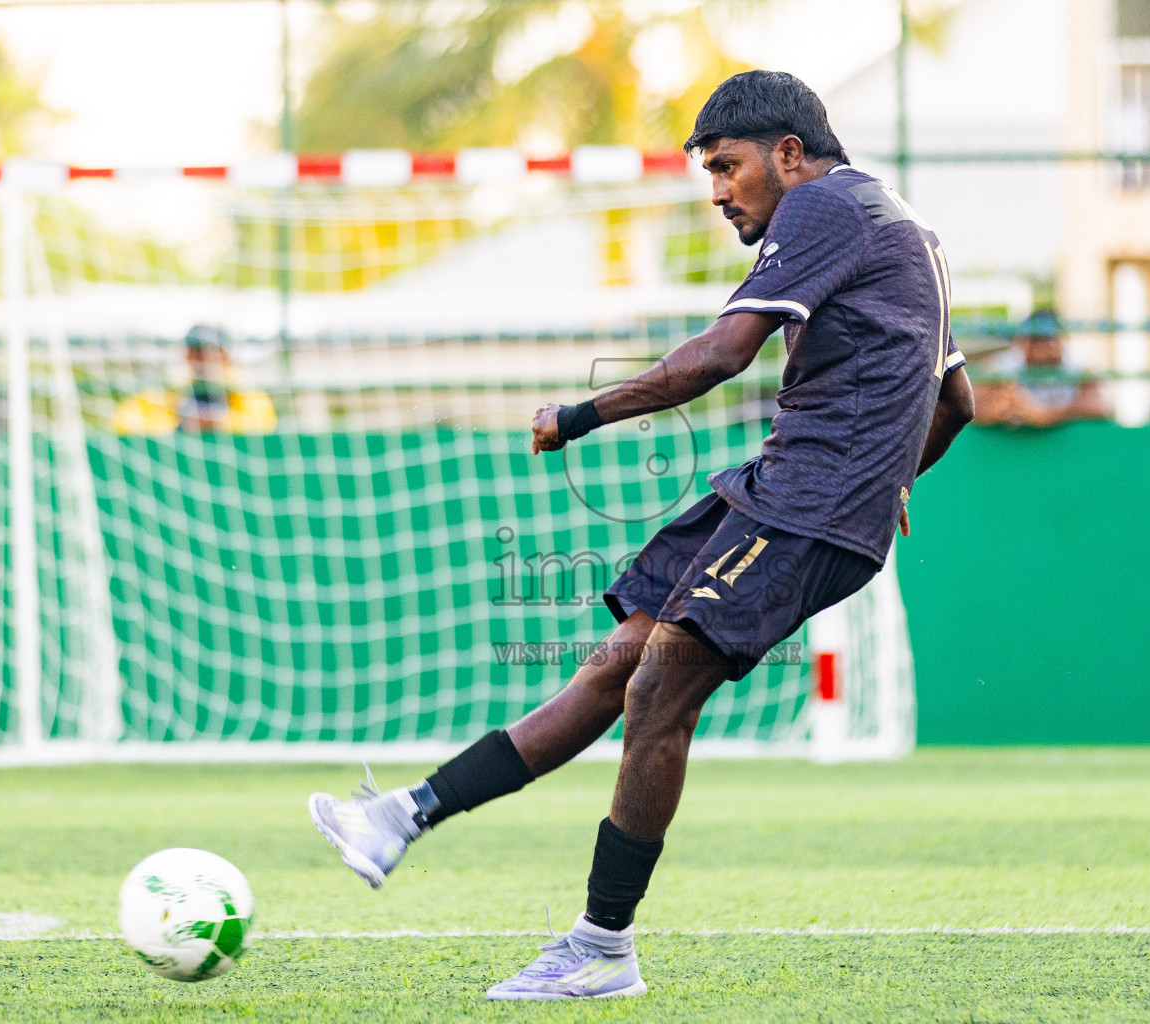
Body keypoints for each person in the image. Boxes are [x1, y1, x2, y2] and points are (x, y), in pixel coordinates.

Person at [306, 71, 976, 1000]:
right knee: (614, 668)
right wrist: (895, 478)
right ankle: (399, 817)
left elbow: (719, 355)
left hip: (807, 504)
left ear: (790, 154)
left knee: (660, 690)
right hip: (784, 490)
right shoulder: (910, 230)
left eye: (729, 166)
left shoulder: (821, 208)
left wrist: (578, 415)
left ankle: (600, 948)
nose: (717, 191)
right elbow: (957, 403)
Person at [112, 325, 276, 435]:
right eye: (196, 351)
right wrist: (179, 424)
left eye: (211, 352)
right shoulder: (171, 390)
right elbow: (123, 421)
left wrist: (218, 421)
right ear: (186, 355)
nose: (203, 359)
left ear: (225, 357)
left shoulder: (244, 391)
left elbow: (265, 424)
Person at [973, 307, 1106, 427]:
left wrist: (1049, 415)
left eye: (1047, 339)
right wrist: (997, 409)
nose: (1040, 349)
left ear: (1062, 341)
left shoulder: (1078, 368)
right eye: (1034, 340)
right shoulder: (1000, 366)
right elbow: (971, 405)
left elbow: (1101, 406)